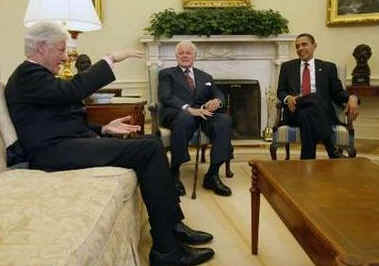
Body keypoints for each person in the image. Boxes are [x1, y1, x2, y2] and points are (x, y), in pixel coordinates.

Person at [5, 22, 215, 266]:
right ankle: (167, 252)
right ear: (41, 48)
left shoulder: (37, 77)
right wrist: (110, 59)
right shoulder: (27, 75)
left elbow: (58, 121)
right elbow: (72, 91)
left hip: (63, 144)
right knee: (148, 149)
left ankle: (172, 224)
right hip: (52, 153)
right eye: (61, 50)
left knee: (150, 142)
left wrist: (102, 129)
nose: (64, 57)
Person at [158, 40, 233, 197]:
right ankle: (174, 171)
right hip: (178, 113)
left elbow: (218, 93)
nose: (185, 55)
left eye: (188, 53)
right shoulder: (167, 74)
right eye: (181, 53)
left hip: (203, 114)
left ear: (195, 56)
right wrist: (189, 109)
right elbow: (166, 97)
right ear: (176, 56)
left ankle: (212, 174)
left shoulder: (205, 76)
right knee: (185, 118)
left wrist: (217, 101)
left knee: (224, 121)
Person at [277, 33, 359, 159]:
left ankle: (307, 162)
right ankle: (332, 150)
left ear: (314, 45)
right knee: (314, 100)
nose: (300, 48)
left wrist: (352, 97)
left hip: (319, 113)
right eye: (297, 46)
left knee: (308, 113)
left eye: (304, 44)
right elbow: (281, 91)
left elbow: (338, 93)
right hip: (294, 111)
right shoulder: (287, 67)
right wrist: (288, 98)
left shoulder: (328, 67)